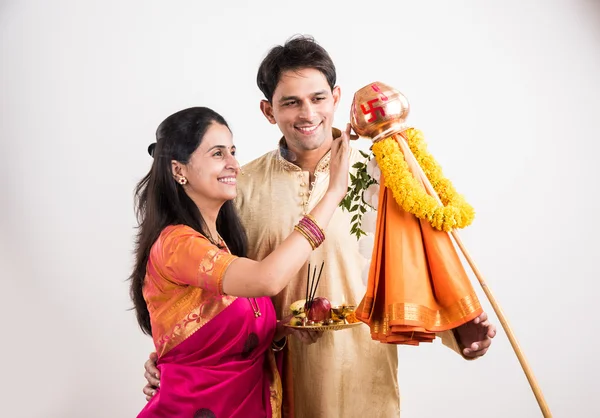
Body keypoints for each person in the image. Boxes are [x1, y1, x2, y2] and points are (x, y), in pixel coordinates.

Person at [143, 36, 496, 417]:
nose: (307, 113)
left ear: (336, 97)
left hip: (362, 376)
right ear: (268, 110)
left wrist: (457, 331)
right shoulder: (237, 188)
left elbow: (420, 264)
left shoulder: (382, 175)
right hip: (271, 384)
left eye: (318, 98)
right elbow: (213, 292)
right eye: (290, 102)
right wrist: (175, 358)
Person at [130, 106, 351, 417]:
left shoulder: (222, 245)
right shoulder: (176, 244)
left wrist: (282, 330)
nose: (234, 164)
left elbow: (220, 341)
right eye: (218, 154)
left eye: (233, 151)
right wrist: (333, 193)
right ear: (178, 170)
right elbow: (267, 279)